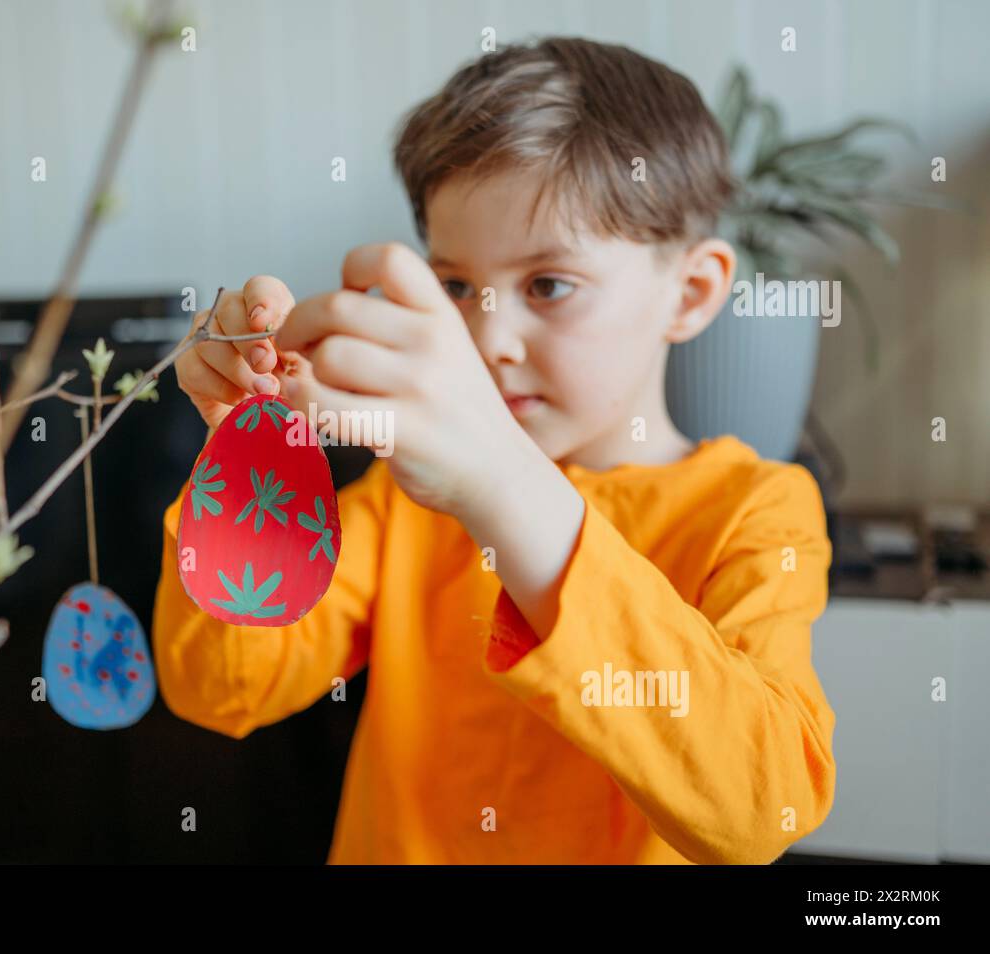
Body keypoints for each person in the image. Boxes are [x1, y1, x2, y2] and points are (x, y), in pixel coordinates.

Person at [152, 37, 835, 864]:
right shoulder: (404, 493)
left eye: (548, 285)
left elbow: (766, 807)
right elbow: (223, 688)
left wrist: (505, 486)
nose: (487, 337)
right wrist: (245, 457)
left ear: (689, 293)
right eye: (454, 287)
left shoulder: (754, 509)